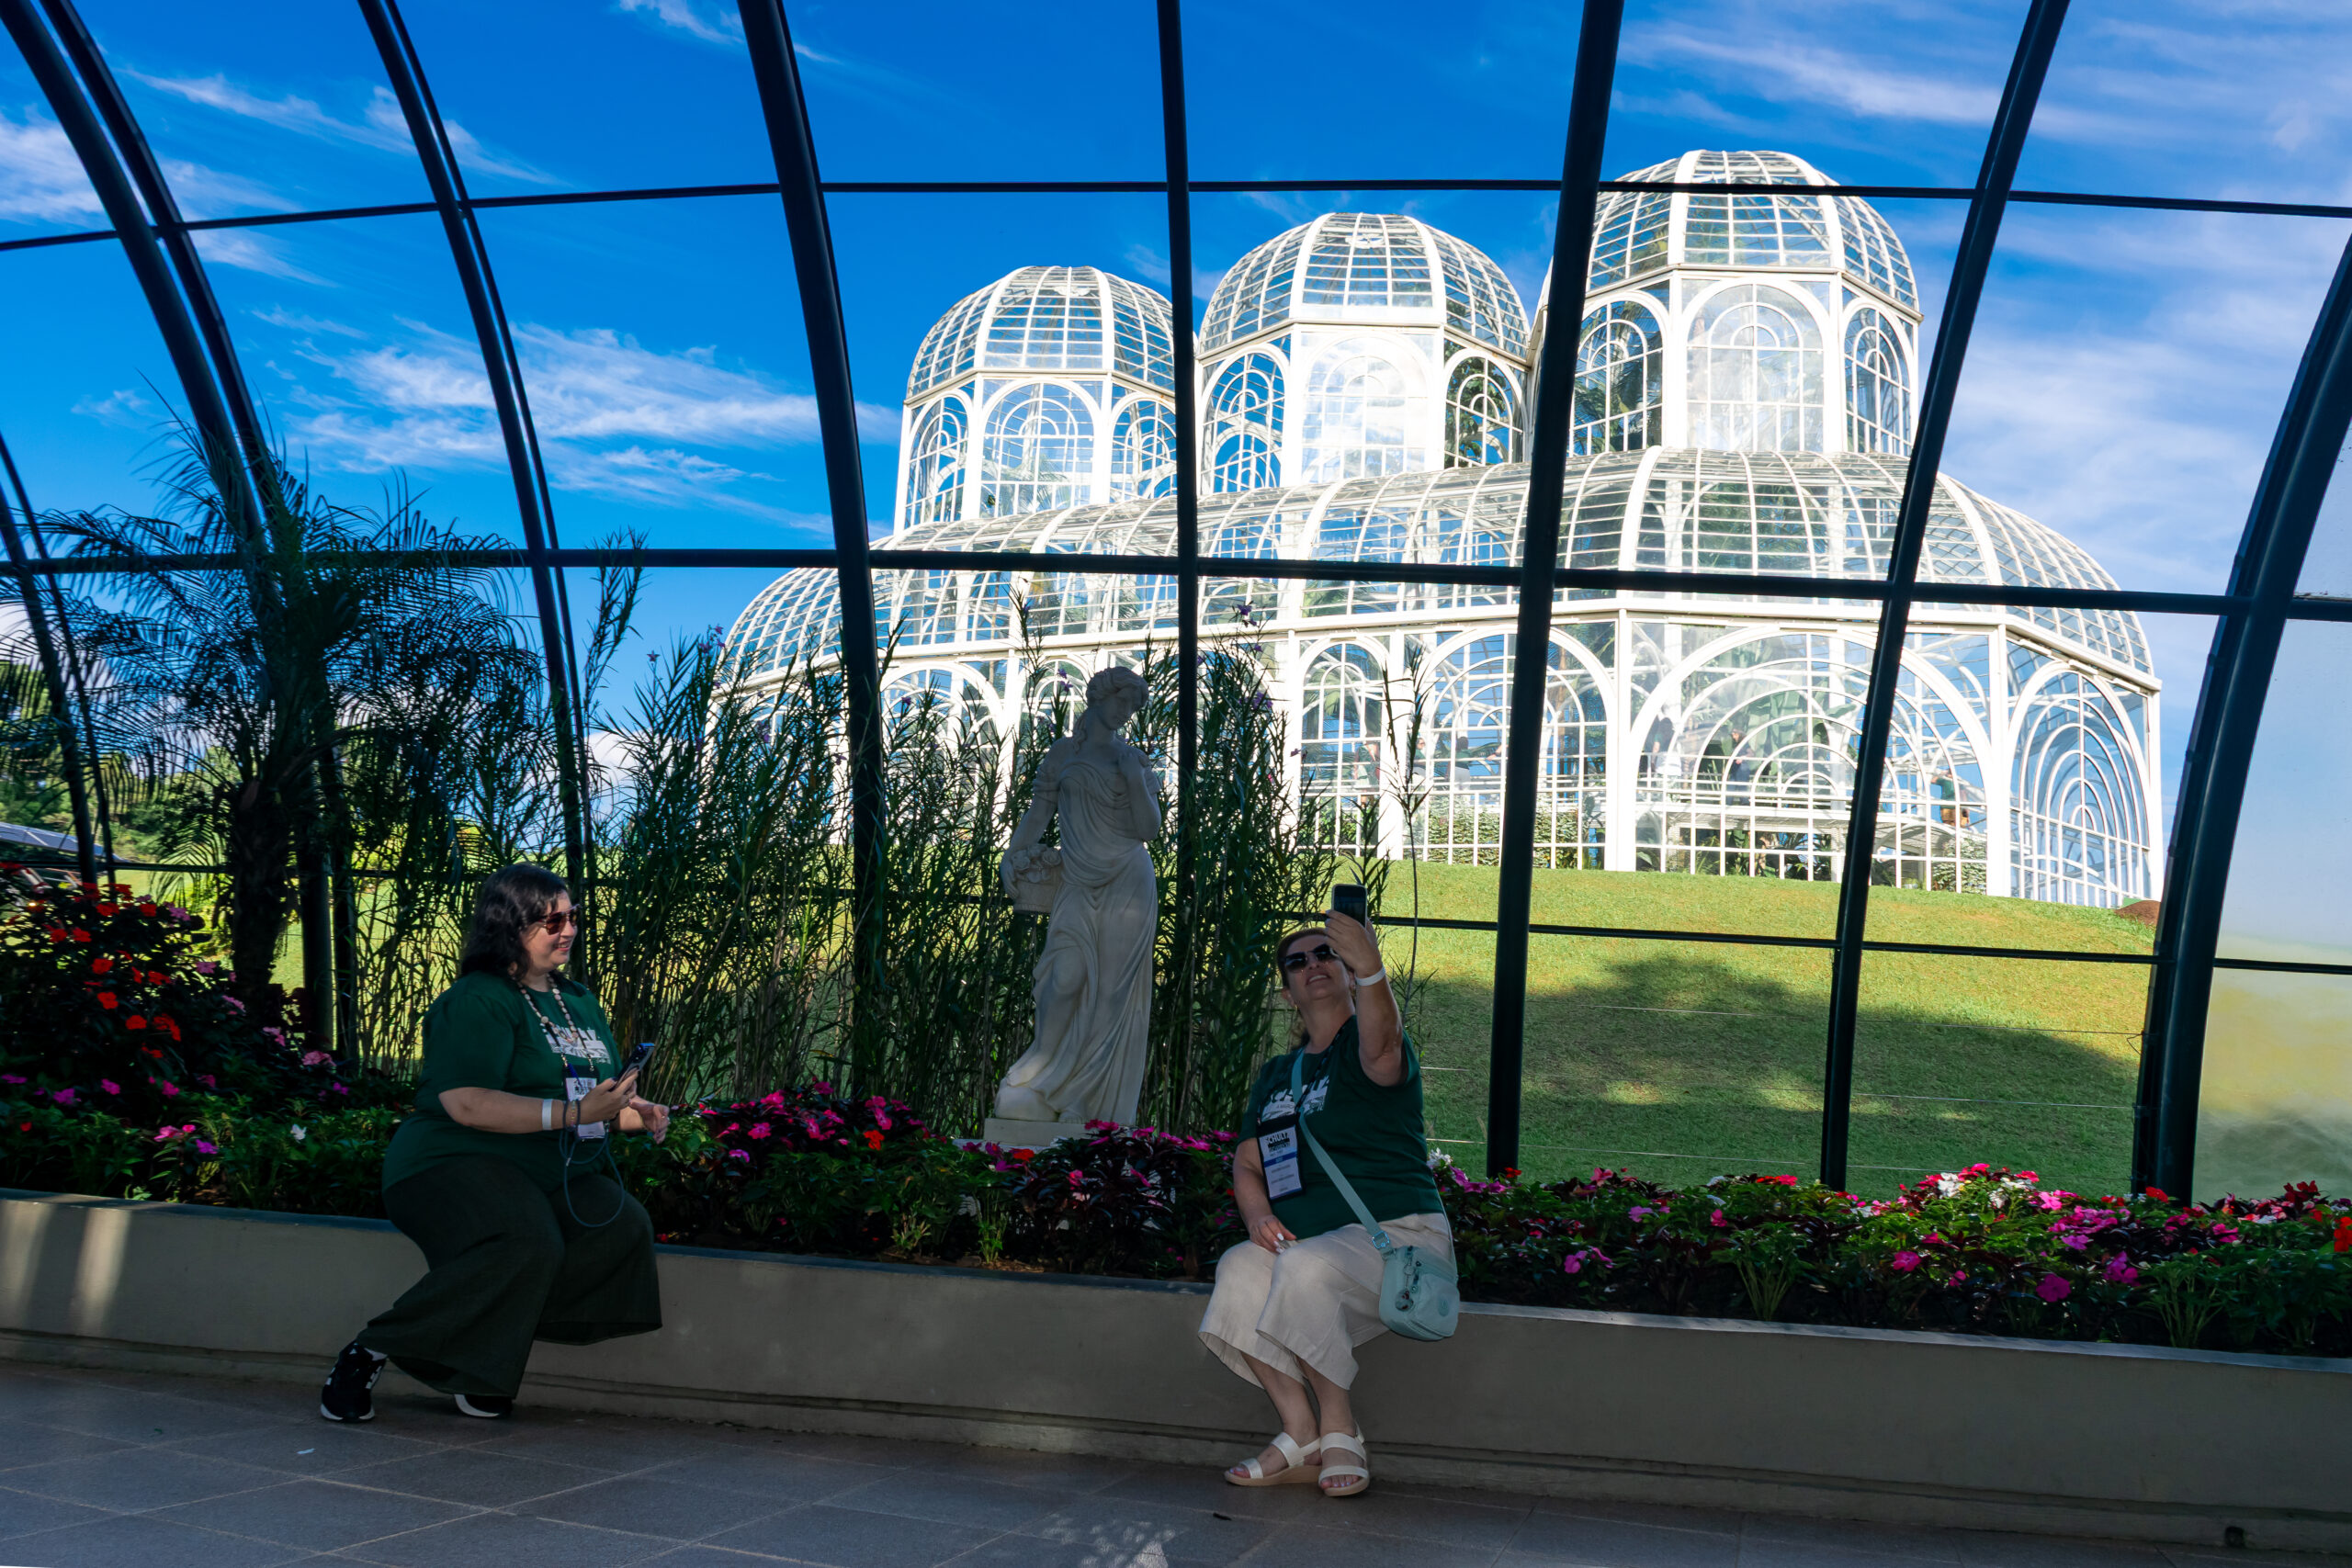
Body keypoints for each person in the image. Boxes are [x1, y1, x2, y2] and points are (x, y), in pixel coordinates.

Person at [319, 864, 669, 1422]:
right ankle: (374, 1347)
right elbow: (466, 1103)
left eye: (572, 916)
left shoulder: (577, 1000)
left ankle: (481, 1351)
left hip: (546, 1166)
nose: (568, 929)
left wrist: (632, 1113)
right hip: (453, 1161)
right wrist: (577, 1111)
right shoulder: (477, 1000)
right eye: (552, 919)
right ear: (510, 924)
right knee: (526, 1241)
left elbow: (585, 1100)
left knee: (621, 1227)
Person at [1197, 912, 1451, 1498]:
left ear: (1345, 969)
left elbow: (1382, 1042)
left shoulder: (1368, 1047)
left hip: (1397, 1239)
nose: (1313, 965)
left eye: (1325, 954)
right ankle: (1301, 1430)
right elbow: (1247, 1163)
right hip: (1311, 1250)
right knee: (1239, 1266)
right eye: (1298, 961)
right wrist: (1257, 1214)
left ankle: (1342, 1428)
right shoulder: (1278, 1074)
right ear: (1287, 993)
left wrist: (1372, 969)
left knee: (1301, 1265)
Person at [991, 665, 1161, 1126]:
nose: (1125, 712)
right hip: (1076, 880)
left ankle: (1085, 1103)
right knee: (1063, 978)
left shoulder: (1133, 761)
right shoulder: (1064, 753)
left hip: (1128, 878)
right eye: (1120, 701)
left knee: (1111, 994)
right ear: (1098, 697)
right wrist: (1014, 854)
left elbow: (1149, 829)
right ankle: (1040, 1068)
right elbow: (1038, 812)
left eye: (1132, 705)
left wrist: (1131, 775)